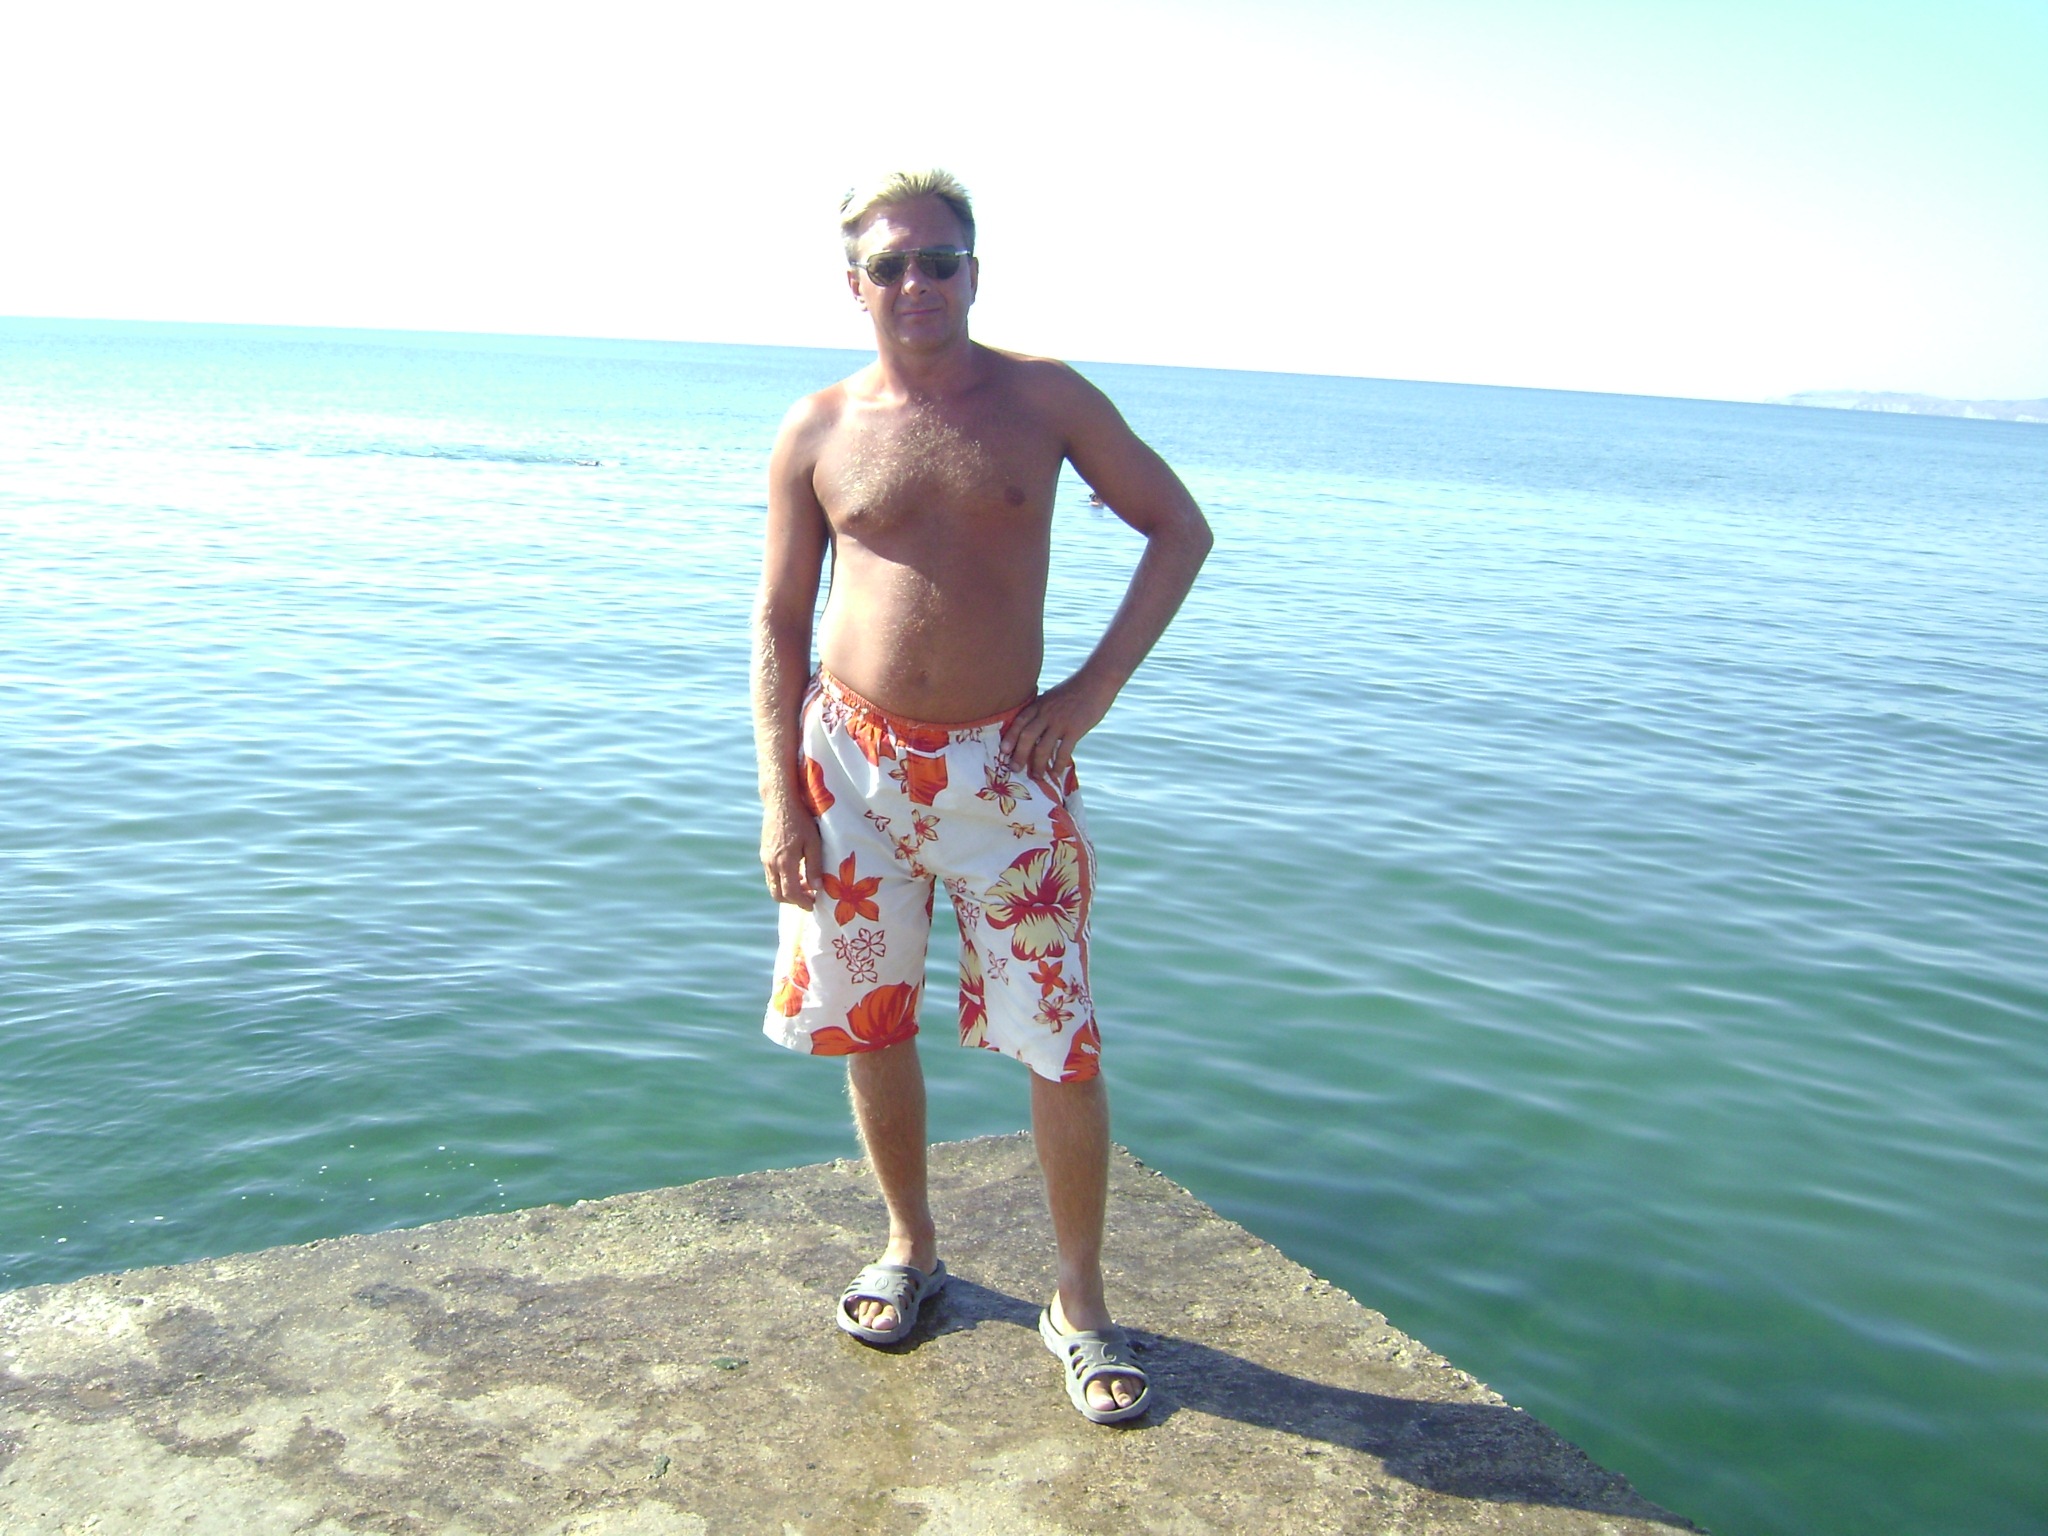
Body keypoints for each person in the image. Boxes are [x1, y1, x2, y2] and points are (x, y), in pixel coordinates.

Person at [750, 169, 1211, 1424]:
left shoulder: (1045, 400)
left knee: (1058, 1037)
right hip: (847, 767)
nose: (917, 282)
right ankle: (910, 1246)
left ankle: (1078, 1300)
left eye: (939, 260)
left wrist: (1091, 690)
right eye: (890, 264)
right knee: (870, 1018)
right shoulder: (815, 428)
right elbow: (779, 620)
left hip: (1008, 771)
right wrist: (780, 799)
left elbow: (1178, 529)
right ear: (853, 285)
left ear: (973, 272)